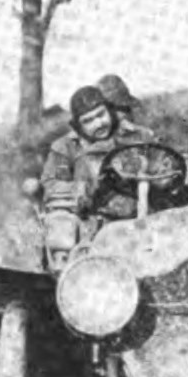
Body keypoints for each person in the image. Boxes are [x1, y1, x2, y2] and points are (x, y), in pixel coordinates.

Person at [40, 85, 155, 258]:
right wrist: (81, 188)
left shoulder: (138, 135)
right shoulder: (66, 147)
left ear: (110, 110)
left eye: (101, 115)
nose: (99, 123)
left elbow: (164, 165)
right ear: (78, 125)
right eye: (88, 121)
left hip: (143, 217)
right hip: (93, 222)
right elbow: (50, 184)